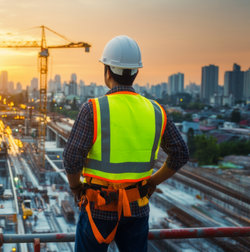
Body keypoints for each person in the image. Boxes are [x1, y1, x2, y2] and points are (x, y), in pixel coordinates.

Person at [63, 35, 189, 252]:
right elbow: (180, 153)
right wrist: (152, 182)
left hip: (98, 208)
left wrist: (76, 188)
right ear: (136, 72)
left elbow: (71, 158)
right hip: (136, 209)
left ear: (107, 71)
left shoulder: (93, 109)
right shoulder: (156, 111)